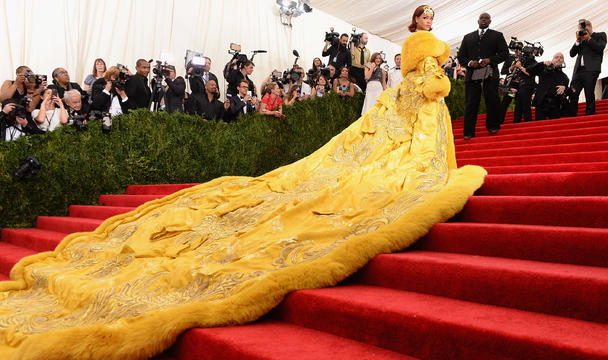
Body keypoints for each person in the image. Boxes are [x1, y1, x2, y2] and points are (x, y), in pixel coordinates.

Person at [0, 6, 485, 359]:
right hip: (421, 104)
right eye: (421, 16)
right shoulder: (421, 52)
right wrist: (434, 81)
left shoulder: (419, 51)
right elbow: (432, 80)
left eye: (427, 16)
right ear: (415, 25)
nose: (425, 20)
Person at [457, 12, 509, 139]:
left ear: (490, 21)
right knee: (470, 102)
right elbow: (461, 56)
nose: (484, 20)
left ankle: (493, 126)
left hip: (490, 72)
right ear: (478, 21)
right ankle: (468, 132)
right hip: (472, 73)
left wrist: (490, 60)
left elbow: (505, 54)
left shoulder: (497, 35)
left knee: (492, 99)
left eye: (486, 19)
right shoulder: (468, 37)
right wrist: (470, 63)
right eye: (482, 18)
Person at [568, 19, 607, 116]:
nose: (583, 31)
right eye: (581, 29)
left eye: (584, 28)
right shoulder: (580, 40)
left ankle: (590, 115)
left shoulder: (600, 35)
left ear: (590, 26)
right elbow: (572, 54)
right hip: (578, 71)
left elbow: (600, 47)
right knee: (573, 92)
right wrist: (577, 41)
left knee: (589, 93)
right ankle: (571, 114)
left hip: (591, 69)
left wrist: (589, 38)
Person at [526, 52, 570, 120]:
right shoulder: (543, 68)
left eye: (561, 57)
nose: (559, 59)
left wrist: (565, 88)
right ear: (552, 60)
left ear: (563, 61)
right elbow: (528, 70)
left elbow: (568, 92)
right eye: (556, 57)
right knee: (540, 126)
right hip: (541, 103)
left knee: (554, 127)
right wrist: (542, 63)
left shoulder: (565, 77)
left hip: (555, 104)